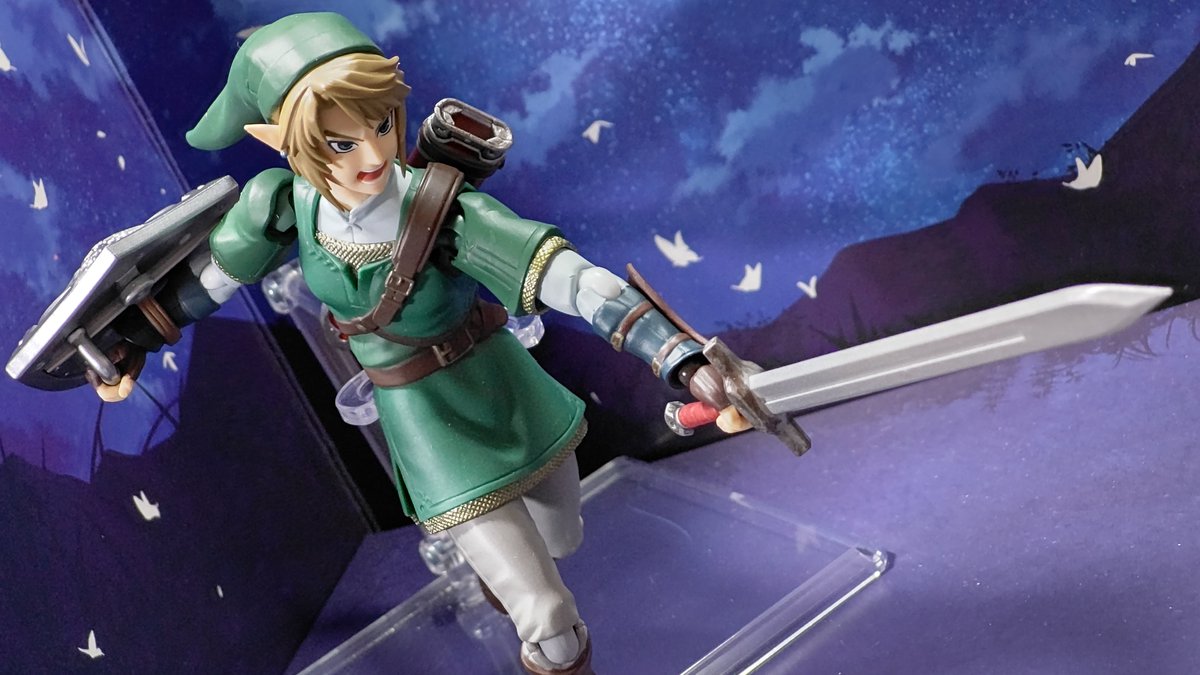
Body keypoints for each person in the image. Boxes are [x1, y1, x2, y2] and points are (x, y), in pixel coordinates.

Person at [96, 12, 728, 674]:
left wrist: (680, 357)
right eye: (340, 143)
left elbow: (569, 278)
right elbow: (211, 280)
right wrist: (132, 340)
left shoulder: (444, 210)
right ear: (277, 139)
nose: (372, 156)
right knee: (547, 612)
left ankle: (505, 577)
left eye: (381, 125)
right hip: (424, 423)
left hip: (502, 390)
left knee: (561, 535)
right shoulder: (281, 206)